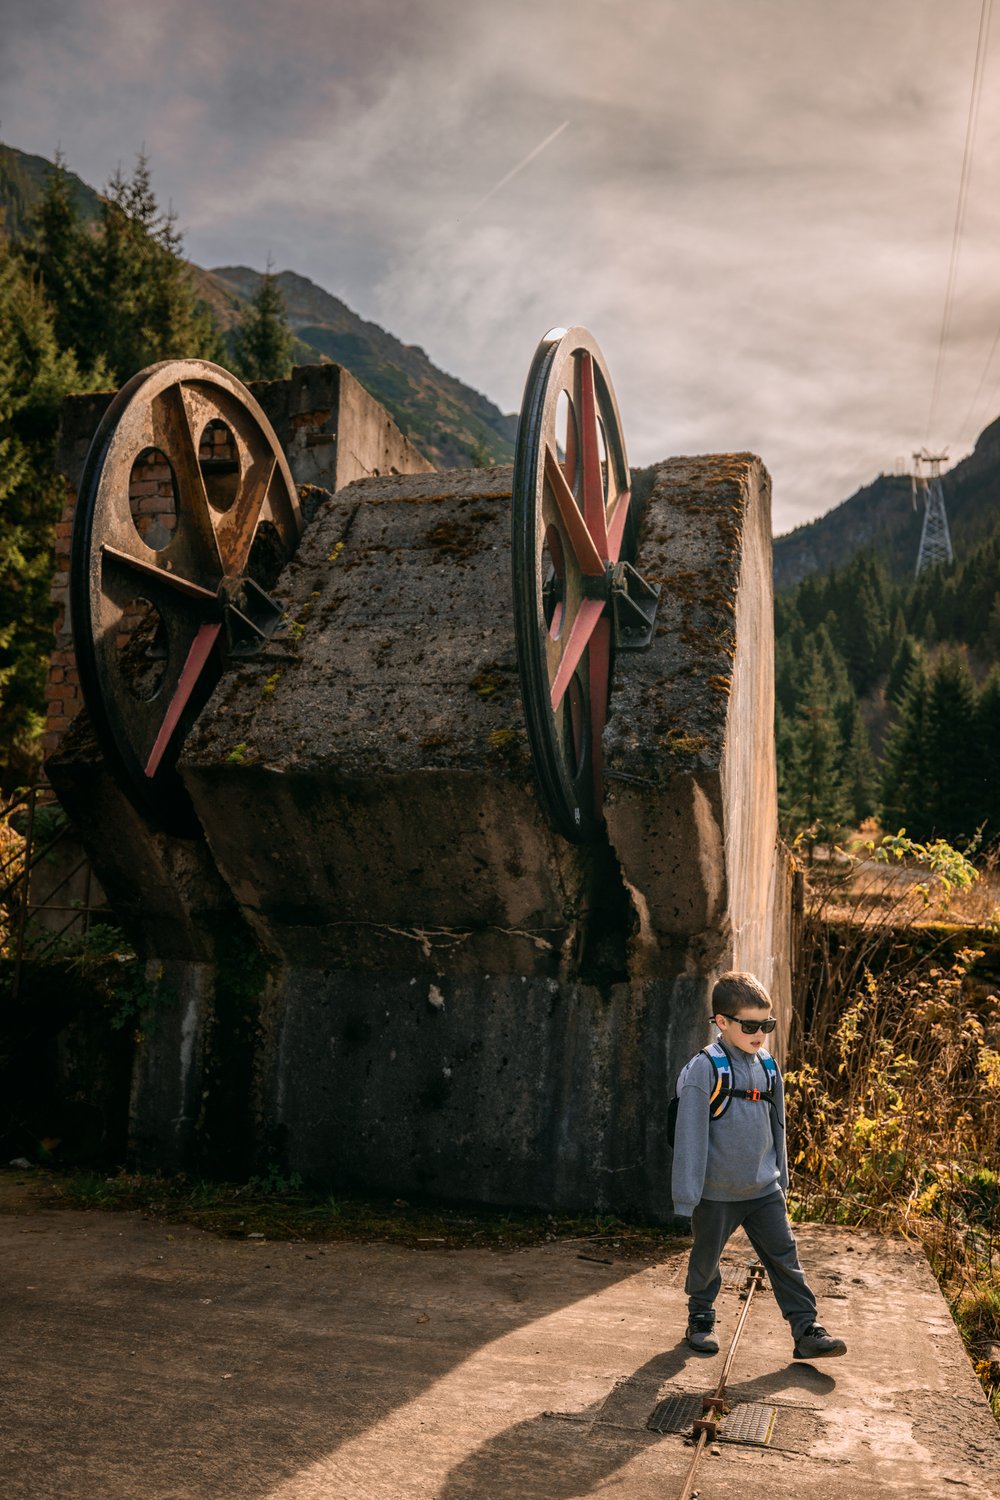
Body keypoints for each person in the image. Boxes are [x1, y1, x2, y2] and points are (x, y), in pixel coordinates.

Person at [671, 970, 847, 1360]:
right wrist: (687, 1196)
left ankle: (806, 1330)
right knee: (706, 1259)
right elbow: (690, 1136)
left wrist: (780, 1176)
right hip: (716, 1192)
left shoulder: (767, 1065)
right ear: (722, 1022)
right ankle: (700, 1318)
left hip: (763, 1189)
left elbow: (777, 1124)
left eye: (766, 1024)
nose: (760, 1034)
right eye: (750, 1025)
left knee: (786, 1258)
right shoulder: (706, 1068)